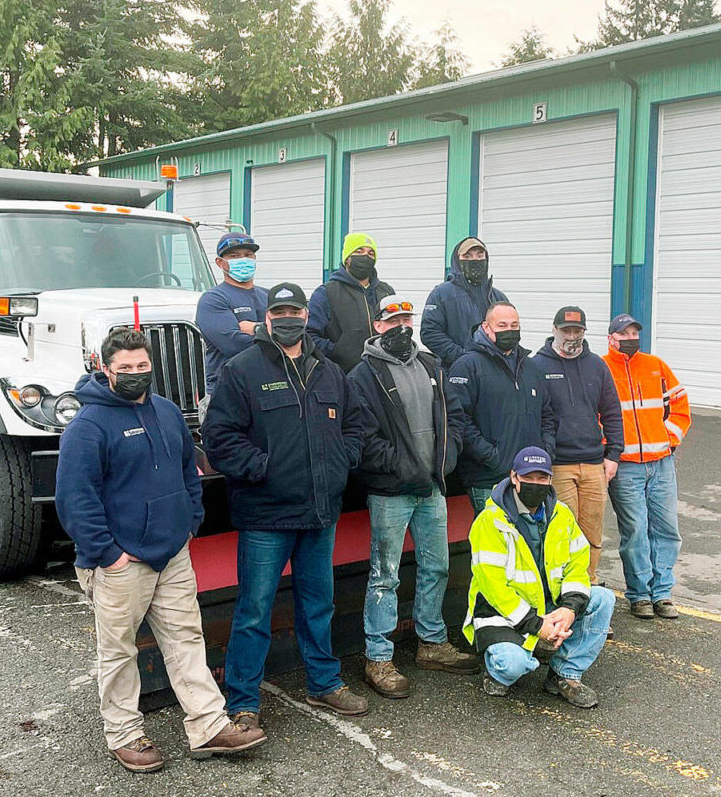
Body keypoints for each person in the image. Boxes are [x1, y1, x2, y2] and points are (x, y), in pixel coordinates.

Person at [55, 328, 266, 773]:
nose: (135, 374)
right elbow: (75, 499)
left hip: (171, 554)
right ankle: (125, 734)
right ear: (105, 369)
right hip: (120, 563)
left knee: (186, 639)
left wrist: (189, 521)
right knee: (119, 651)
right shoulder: (87, 426)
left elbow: (188, 471)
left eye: (142, 366)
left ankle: (208, 725)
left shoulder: (167, 412)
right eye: (125, 369)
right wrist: (107, 554)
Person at [203, 282, 369, 726]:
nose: (288, 318)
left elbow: (355, 425)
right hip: (266, 517)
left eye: (295, 310)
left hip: (320, 513)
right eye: (279, 312)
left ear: (305, 316)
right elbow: (219, 438)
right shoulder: (242, 370)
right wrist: (264, 469)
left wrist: (342, 460)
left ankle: (324, 684)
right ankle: (242, 702)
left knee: (318, 604)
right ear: (268, 318)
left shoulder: (329, 371)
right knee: (254, 611)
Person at [347, 296, 478, 699]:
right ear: (378, 325)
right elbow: (363, 437)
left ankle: (431, 643)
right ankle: (379, 657)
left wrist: (448, 455)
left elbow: (453, 417)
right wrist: (403, 469)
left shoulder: (431, 364)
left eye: (407, 318)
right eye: (394, 320)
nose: (402, 326)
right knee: (385, 576)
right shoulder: (362, 375)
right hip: (391, 492)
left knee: (436, 567)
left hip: (433, 488)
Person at [464, 447, 616, 708]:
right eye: (529, 478)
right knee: (512, 666)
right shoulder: (490, 521)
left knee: (603, 598)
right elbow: (494, 586)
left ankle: (564, 675)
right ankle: (499, 670)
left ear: (550, 480)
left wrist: (569, 609)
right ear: (514, 477)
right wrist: (536, 625)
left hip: (548, 606)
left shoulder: (562, 515)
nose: (536, 484)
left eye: (542, 478)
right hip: (501, 614)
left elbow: (578, 565)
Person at [603, 314, 691, 620]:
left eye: (634, 332)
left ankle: (662, 594)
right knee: (636, 532)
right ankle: (639, 595)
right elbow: (594, 414)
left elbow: (679, 406)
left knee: (667, 530)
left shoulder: (656, 366)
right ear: (610, 338)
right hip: (625, 467)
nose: (630, 337)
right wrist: (609, 450)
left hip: (661, 464)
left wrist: (668, 440)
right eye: (623, 333)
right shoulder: (602, 368)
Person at [535, 306, 624, 583]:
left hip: (594, 464)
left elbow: (611, 411)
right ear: (554, 330)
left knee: (592, 532)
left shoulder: (597, 365)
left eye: (577, 330)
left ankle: (590, 586)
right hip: (559, 465)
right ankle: (564, 592)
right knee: (564, 531)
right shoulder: (537, 365)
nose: (571, 336)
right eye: (566, 330)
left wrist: (614, 455)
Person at [448, 301, 556, 514]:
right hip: (488, 479)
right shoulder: (467, 365)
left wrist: (546, 451)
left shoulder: (531, 367)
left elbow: (547, 415)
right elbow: (459, 421)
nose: (509, 331)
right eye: (502, 325)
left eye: (514, 326)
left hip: (530, 476)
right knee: (496, 541)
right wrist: (493, 458)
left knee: (529, 541)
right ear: (486, 327)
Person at [307, 232, 394, 373]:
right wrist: (338, 350)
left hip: (383, 374)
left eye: (371, 253)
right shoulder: (326, 293)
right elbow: (309, 336)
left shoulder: (386, 291)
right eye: (359, 251)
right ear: (347, 259)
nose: (365, 256)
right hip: (343, 375)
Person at [195, 232, 269, 396]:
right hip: (228, 392)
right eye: (234, 256)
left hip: (268, 389)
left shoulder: (269, 296)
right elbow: (236, 345)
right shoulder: (213, 300)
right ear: (220, 263)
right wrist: (278, 338)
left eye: (248, 255)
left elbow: (296, 333)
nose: (243, 260)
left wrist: (256, 328)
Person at [421, 237, 508, 370]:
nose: (475, 260)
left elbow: (509, 330)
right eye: (467, 256)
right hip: (457, 371)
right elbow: (430, 333)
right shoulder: (441, 294)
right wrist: (461, 357)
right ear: (457, 260)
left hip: (494, 370)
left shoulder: (498, 297)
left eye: (480, 255)